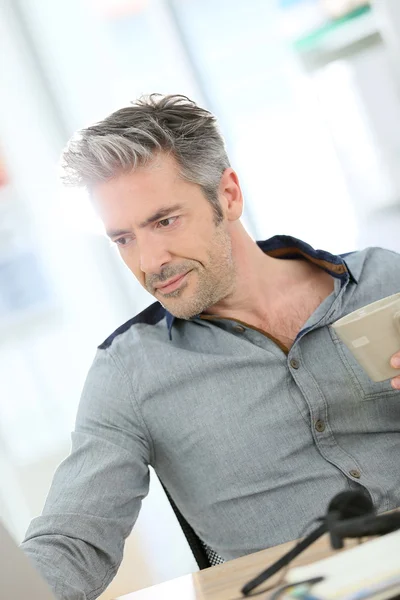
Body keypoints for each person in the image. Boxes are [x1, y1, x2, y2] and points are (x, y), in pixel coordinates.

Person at [21, 94, 400, 600]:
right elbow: (73, 539)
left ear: (228, 195)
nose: (150, 260)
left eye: (164, 221)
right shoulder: (129, 372)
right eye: (123, 239)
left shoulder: (384, 281)